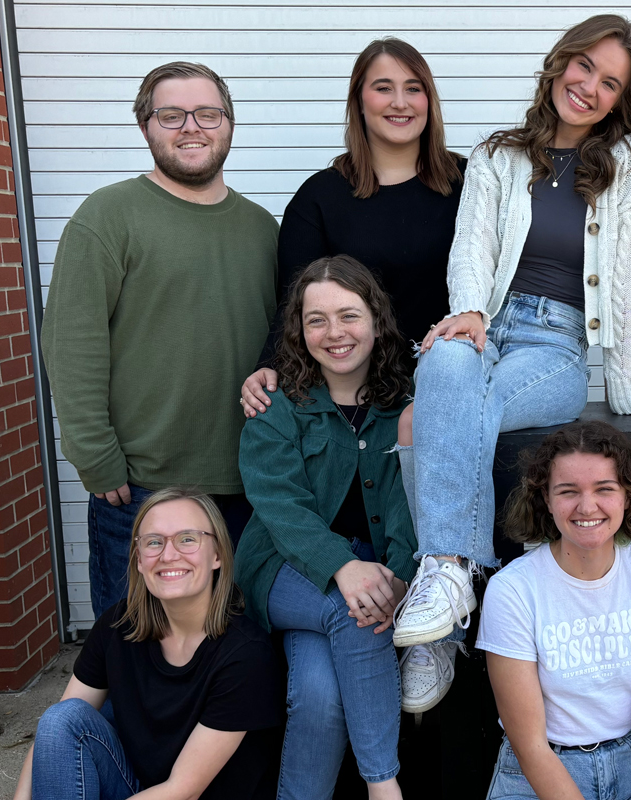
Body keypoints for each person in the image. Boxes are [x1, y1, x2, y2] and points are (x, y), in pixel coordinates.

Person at [392, 15, 631, 712]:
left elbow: (627, 283)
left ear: (621, 99)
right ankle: (450, 580)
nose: (591, 87)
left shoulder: (629, 161)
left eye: (611, 83)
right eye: (585, 67)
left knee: (447, 411)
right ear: (560, 64)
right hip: (490, 324)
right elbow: (471, 246)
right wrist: (467, 313)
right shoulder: (498, 154)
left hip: (556, 345)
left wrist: (626, 392)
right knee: (444, 364)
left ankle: (440, 616)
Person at [42, 62, 277, 617]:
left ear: (230, 123)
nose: (191, 127)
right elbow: (71, 344)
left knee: (232, 645)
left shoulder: (262, 228)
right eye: (171, 115)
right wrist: (96, 459)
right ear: (145, 126)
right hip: (140, 487)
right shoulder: (108, 216)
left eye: (207, 114)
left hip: (246, 486)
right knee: (136, 644)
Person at [233, 256, 424, 800]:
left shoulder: (405, 405)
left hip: (373, 570)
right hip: (281, 568)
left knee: (319, 695)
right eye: (316, 320)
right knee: (353, 609)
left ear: (376, 320)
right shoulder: (275, 405)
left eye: (349, 315)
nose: (334, 332)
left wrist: (399, 577)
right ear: (299, 331)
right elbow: (280, 505)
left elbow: (412, 506)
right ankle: (384, 787)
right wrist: (343, 566)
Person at [241, 37, 465, 418]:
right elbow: (294, 305)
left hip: (449, 389)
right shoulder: (319, 198)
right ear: (359, 101)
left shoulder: (470, 184)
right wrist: (268, 366)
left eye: (414, 88)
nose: (400, 102)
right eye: (383, 88)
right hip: (355, 402)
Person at [14, 488, 283, 800]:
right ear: (139, 559)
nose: (168, 555)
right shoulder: (118, 626)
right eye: (154, 542)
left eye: (187, 539)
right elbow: (57, 729)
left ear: (218, 555)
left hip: (187, 794)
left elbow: (184, 790)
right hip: (139, 790)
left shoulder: (246, 654)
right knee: (63, 717)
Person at [476, 421, 631, 800]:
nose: (587, 507)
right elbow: (530, 745)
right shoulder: (512, 589)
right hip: (542, 768)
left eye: (604, 489)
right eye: (568, 491)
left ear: (628, 494)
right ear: (546, 499)